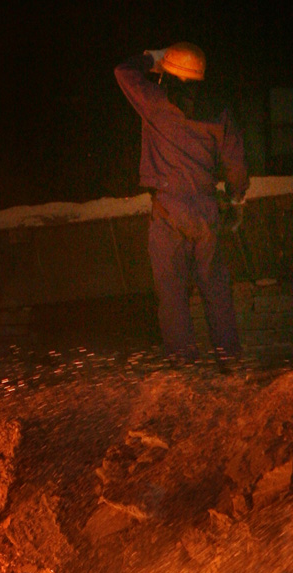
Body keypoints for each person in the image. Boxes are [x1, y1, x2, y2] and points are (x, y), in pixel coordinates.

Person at [115, 43, 249, 363]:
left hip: (167, 208)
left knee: (172, 296)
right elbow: (237, 165)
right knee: (216, 293)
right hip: (206, 208)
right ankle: (229, 364)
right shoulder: (219, 113)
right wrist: (234, 200)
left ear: (168, 75)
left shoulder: (154, 102)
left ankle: (183, 367)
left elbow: (123, 72)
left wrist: (152, 57)